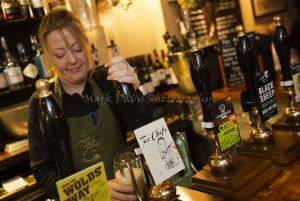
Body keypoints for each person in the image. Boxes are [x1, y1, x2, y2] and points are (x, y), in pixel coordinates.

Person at [28, 9, 151, 201]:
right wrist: (94, 189)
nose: (73, 60)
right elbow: (43, 172)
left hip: (132, 193)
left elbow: (146, 125)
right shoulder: (43, 102)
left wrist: (134, 91)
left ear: (87, 44)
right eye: (60, 55)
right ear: (48, 58)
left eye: (77, 49)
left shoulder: (107, 80)